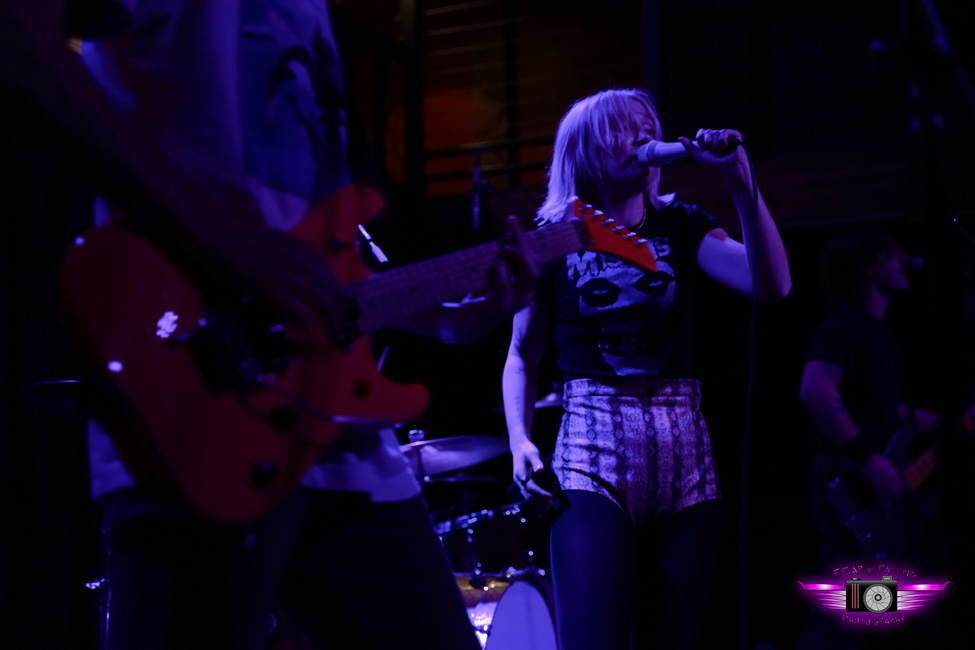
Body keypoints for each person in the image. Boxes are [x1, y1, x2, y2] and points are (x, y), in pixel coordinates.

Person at [2, 1, 538, 648]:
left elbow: (320, 252)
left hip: (346, 434)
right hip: (204, 392)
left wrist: (453, 321)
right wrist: (225, 239)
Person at [501, 87, 791, 650]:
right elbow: (520, 353)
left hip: (684, 449)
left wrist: (739, 177)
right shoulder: (551, 242)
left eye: (646, 123)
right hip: (593, 446)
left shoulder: (680, 225)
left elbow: (772, 284)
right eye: (620, 126)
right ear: (584, 149)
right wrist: (518, 440)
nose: (639, 135)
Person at [797, 226, 946, 649]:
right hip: (852, 485)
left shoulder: (876, 331)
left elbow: (877, 405)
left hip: (878, 486)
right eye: (892, 255)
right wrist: (868, 458)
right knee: (849, 611)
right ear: (868, 266)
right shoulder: (845, 324)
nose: (904, 261)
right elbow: (815, 390)